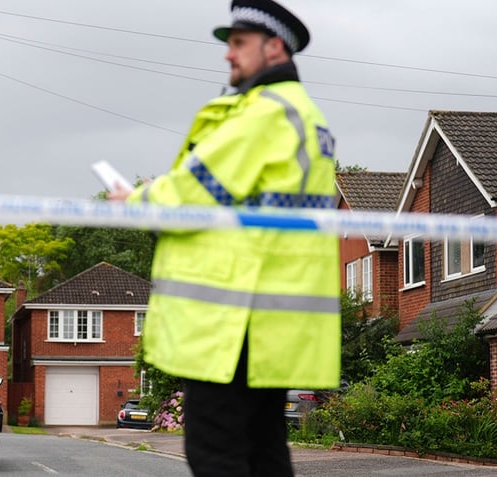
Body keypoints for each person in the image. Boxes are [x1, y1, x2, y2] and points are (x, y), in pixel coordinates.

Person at [108, 1, 340, 475]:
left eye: (238, 44)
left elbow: (196, 191)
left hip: (233, 320)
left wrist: (134, 199)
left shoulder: (264, 114)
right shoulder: (304, 114)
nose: (228, 56)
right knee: (263, 450)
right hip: (269, 316)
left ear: (273, 47)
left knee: (217, 453)